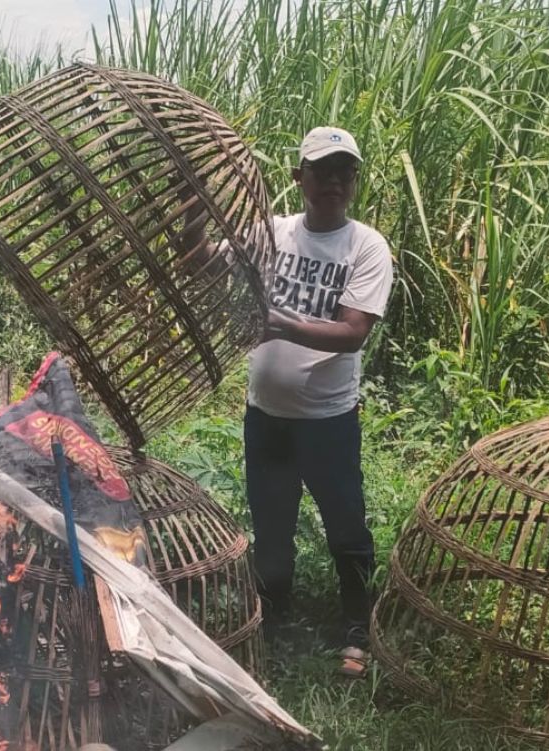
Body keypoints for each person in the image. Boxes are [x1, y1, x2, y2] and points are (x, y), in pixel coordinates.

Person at [184, 126, 393, 677]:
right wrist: (192, 209)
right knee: (271, 528)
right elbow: (200, 263)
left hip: (327, 421)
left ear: (354, 181)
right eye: (322, 170)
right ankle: (274, 622)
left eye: (345, 172)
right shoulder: (271, 233)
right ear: (298, 177)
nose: (334, 182)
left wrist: (276, 321)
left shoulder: (365, 247)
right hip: (266, 417)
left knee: (345, 527)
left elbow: (352, 333)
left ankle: (356, 627)